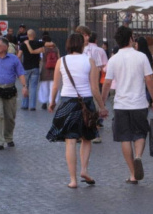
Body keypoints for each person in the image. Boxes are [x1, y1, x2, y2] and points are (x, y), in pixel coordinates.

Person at [46, 33, 108, 189]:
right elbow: (94, 88)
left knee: (70, 141)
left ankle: (73, 180)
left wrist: (52, 102)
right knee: (87, 138)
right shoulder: (89, 61)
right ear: (82, 45)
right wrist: (102, 107)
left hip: (67, 101)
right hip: (86, 102)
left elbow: (55, 86)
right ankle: (84, 170)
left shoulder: (62, 61)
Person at [101, 26, 153, 185]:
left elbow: (107, 83)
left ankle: (133, 174)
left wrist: (102, 104)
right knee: (140, 133)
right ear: (131, 39)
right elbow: (149, 80)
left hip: (121, 104)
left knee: (125, 138)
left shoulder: (113, 59)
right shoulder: (141, 57)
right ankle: (138, 157)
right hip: (139, 103)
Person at [0, 37, 28, 150]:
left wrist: (24, 86)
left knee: (10, 116)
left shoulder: (14, 59)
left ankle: (8, 137)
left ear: (5, 47)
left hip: (10, 89)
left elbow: (21, 74)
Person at [23, 34, 60, 110]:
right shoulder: (56, 49)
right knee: (53, 86)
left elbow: (32, 51)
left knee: (44, 87)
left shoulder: (43, 49)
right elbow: (59, 59)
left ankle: (44, 102)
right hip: (54, 70)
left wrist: (27, 44)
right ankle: (52, 102)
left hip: (45, 70)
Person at [17, 29, 41, 110]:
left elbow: (19, 56)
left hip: (26, 67)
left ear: (27, 35)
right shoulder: (38, 43)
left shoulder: (23, 44)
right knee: (34, 87)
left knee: (25, 86)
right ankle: (33, 106)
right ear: (34, 35)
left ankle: (24, 105)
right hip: (35, 67)